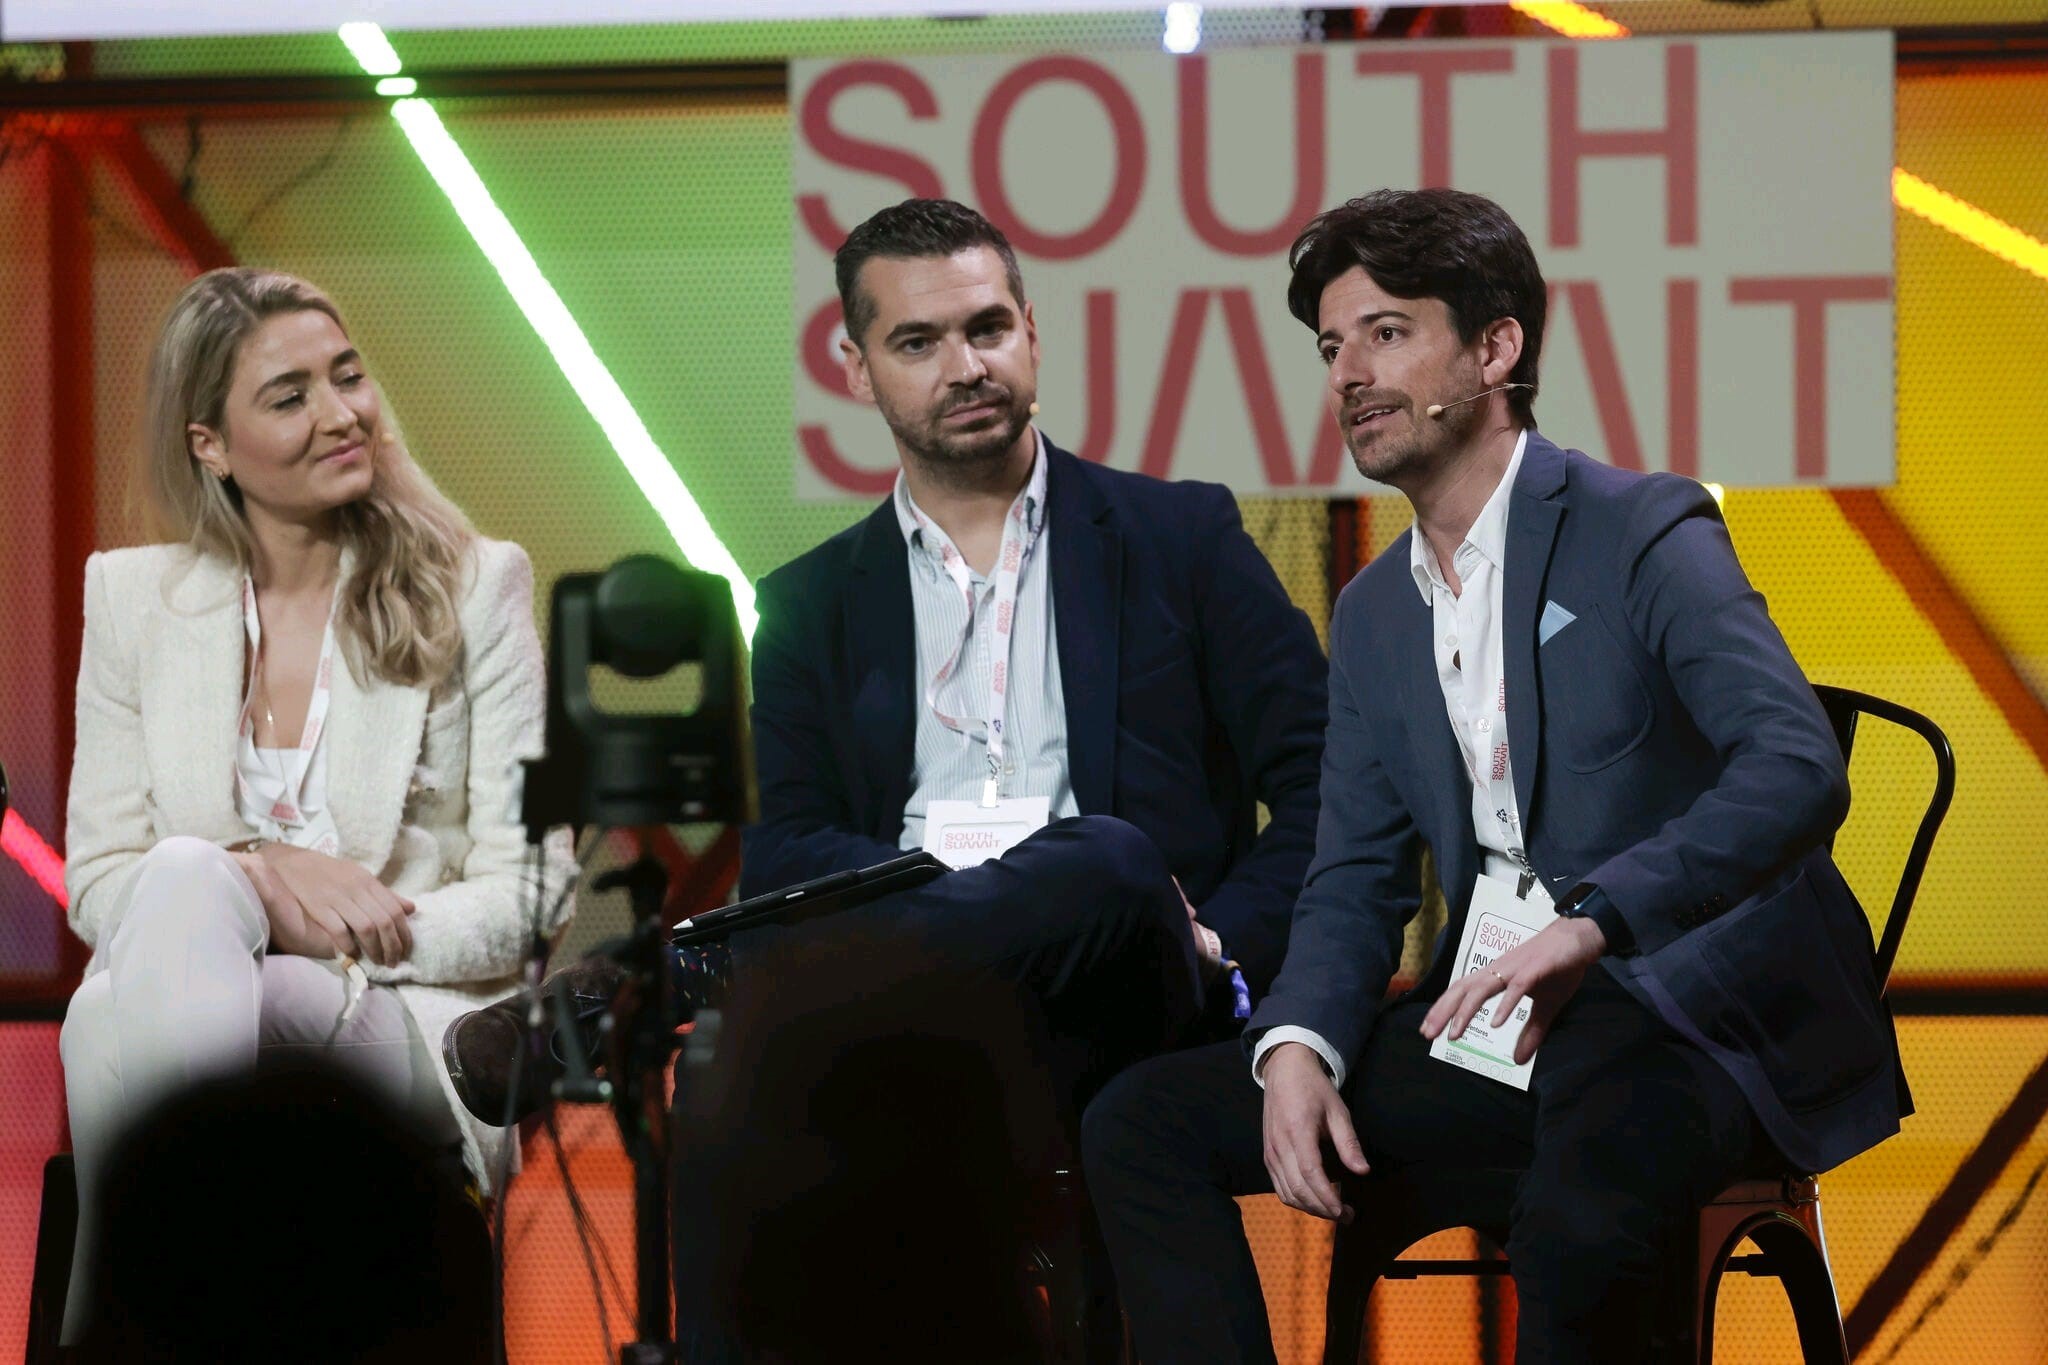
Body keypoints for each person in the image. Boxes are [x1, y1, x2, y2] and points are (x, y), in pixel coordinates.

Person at [1081, 188, 1909, 1363]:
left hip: (1685, 1007)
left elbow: (1792, 766)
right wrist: (1300, 1049)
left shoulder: (1641, 527)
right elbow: (1354, 877)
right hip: (1498, 1026)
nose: (1348, 374)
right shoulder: (1371, 616)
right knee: (1140, 1123)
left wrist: (1597, 923)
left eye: (1385, 331)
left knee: (1584, 1204)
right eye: (1330, 346)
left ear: (1494, 348)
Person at [58, 267, 577, 1340]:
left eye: (347, 377)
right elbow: (101, 878)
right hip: (201, 984)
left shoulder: (477, 586)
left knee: (112, 1005)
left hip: (395, 1014)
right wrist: (258, 871)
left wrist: (343, 930)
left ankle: (138, 1320)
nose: (341, 414)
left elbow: (537, 886)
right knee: (176, 895)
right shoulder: (130, 600)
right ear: (210, 443)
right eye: (289, 397)